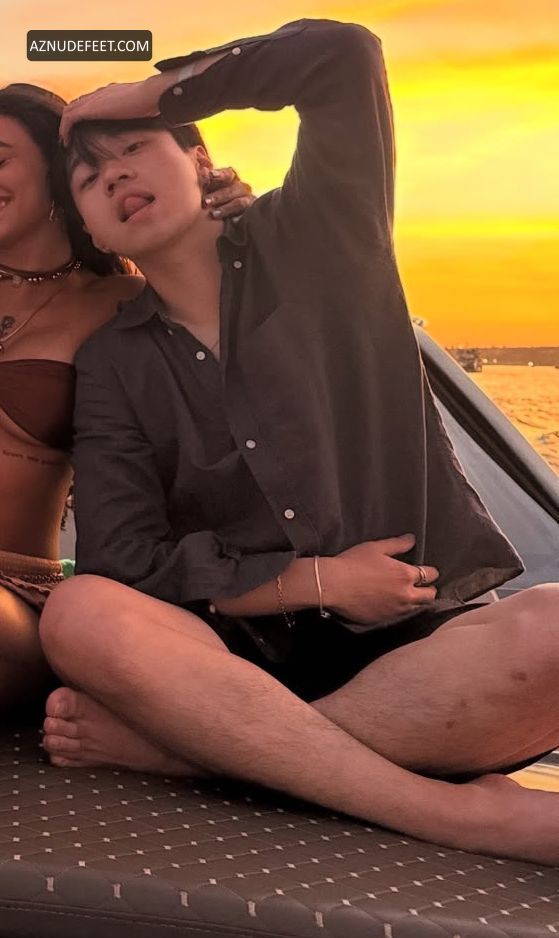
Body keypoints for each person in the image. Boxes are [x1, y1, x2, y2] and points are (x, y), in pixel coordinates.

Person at [39, 19, 559, 864]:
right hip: (221, 666)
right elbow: (123, 561)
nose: (116, 174)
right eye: (91, 179)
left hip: (420, 659)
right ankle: (451, 816)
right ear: (96, 233)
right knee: (80, 610)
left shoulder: (324, 237)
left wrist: (139, 91)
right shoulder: (113, 363)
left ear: (200, 161)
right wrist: (314, 581)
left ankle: (199, 758)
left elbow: (340, 57)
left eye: (135, 148)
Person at [0, 82, 254, 712]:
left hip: (20, 595)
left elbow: (229, 344)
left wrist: (226, 219)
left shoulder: (127, 305)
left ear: (56, 171)